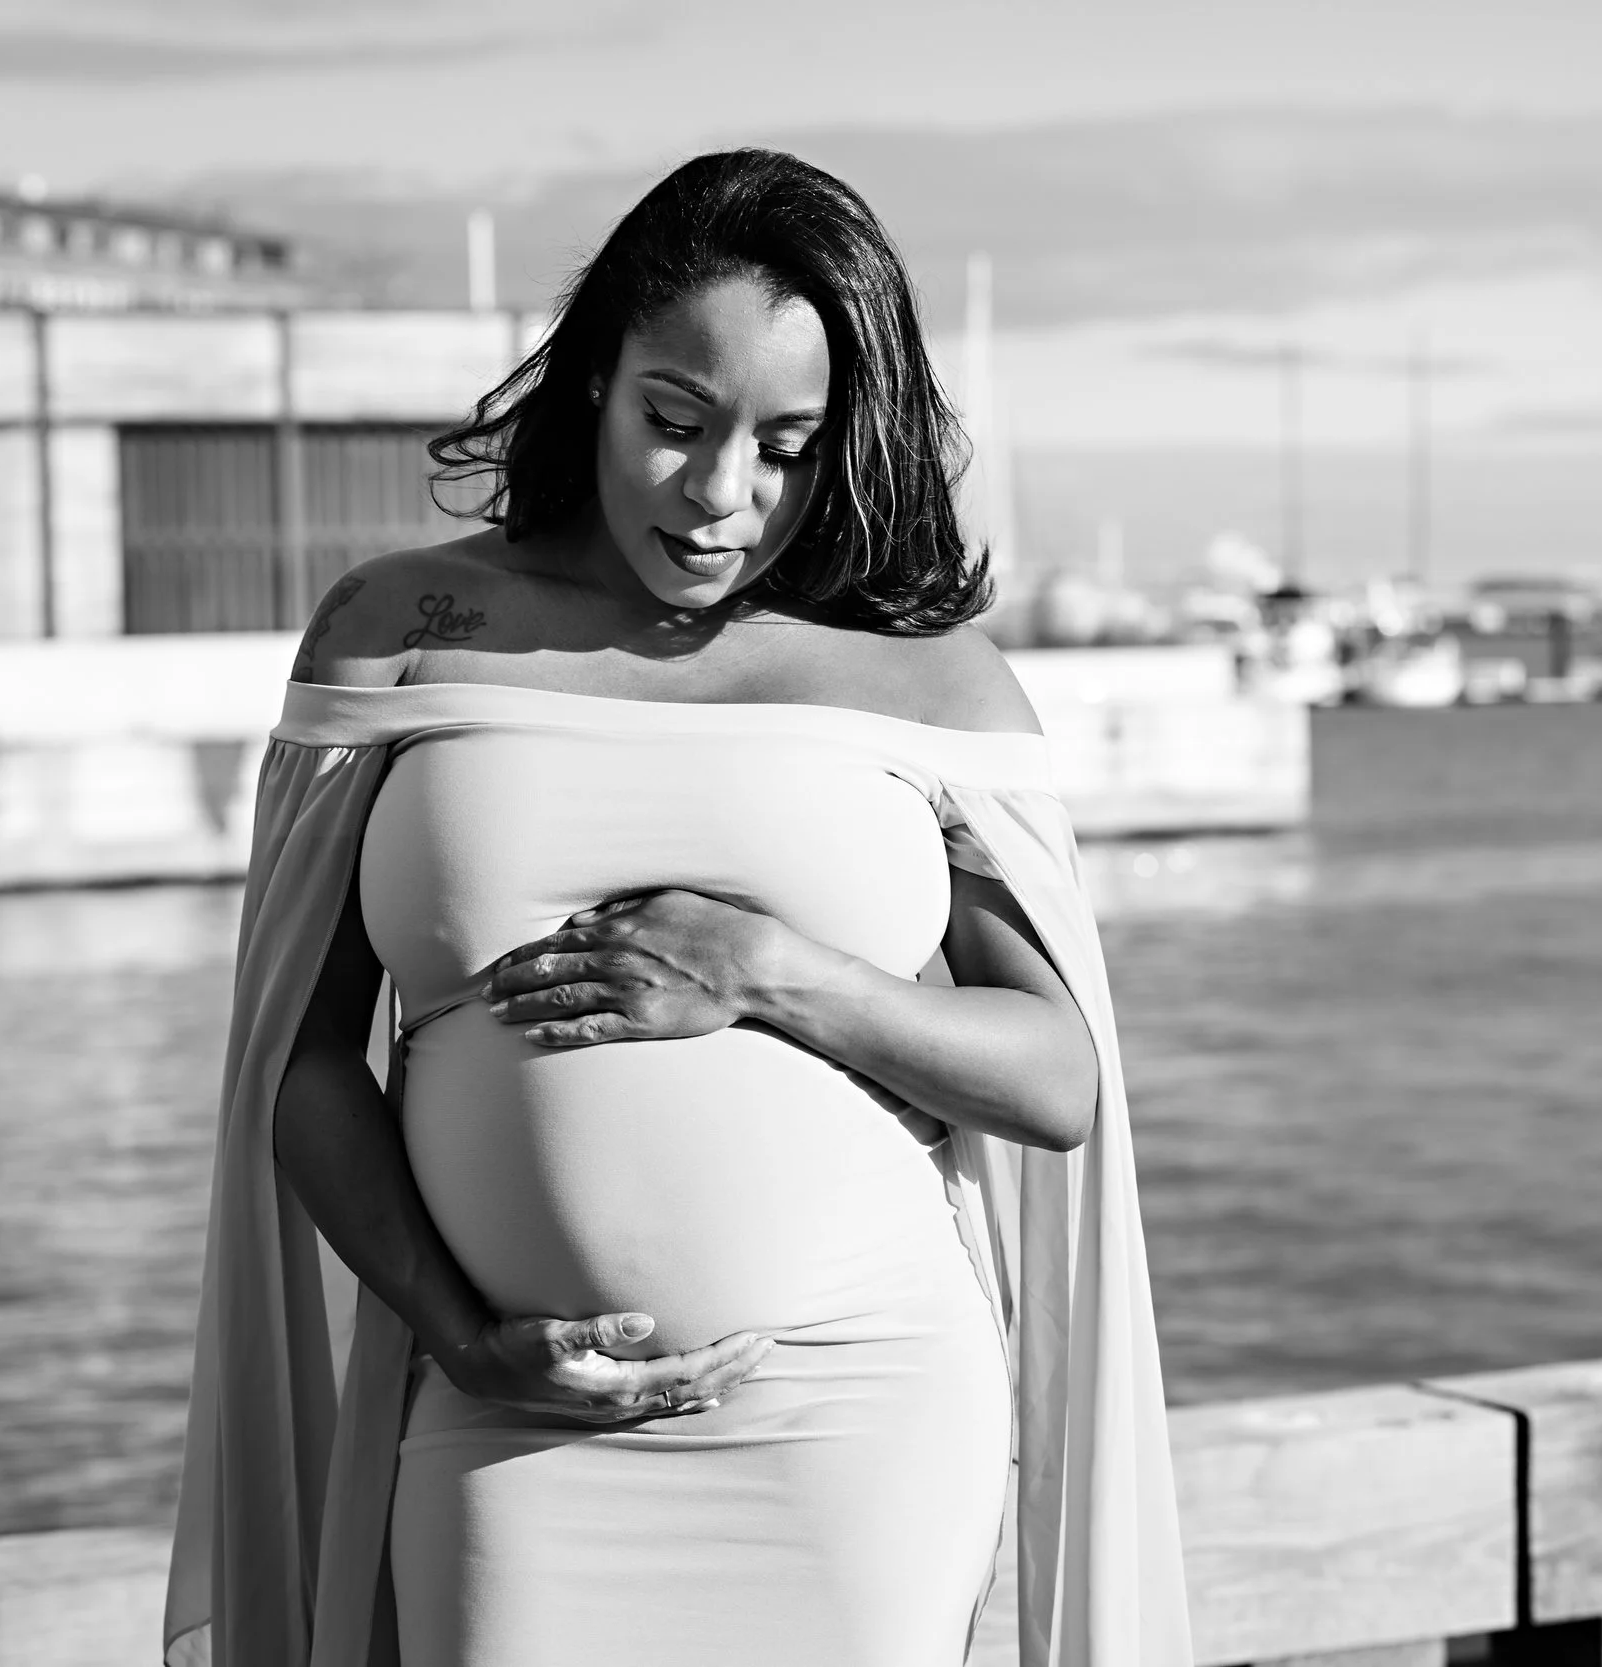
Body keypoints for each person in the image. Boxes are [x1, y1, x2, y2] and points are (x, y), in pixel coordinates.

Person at [163, 149, 1190, 1667]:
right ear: (597, 381)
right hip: (509, 1418)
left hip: (859, 1418)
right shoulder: (400, 634)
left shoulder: (924, 677)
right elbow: (302, 1070)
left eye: (789, 444)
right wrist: (458, 1336)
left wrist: (774, 972)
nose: (722, 497)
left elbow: (1055, 1081)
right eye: (676, 421)